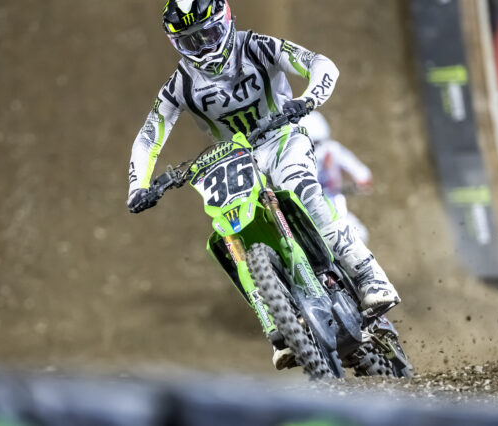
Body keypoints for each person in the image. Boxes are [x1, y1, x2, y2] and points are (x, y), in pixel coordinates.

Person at [127, 0, 399, 369]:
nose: (204, 47)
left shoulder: (256, 46)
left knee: (303, 192)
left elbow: (321, 64)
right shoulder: (181, 84)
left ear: (226, 21)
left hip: (282, 138)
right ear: (176, 44)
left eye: (210, 34)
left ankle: (370, 277)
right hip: (233, 158)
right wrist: (139, 185)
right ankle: (279, 327)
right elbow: (149, 135)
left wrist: (307, 99)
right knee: (230, 232)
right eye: (191, 41)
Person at [300, 111, 372, 244]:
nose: (317, 150)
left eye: (318, 143)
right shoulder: (297, 156)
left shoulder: (332, 150)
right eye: (313, 145)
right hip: (304, 217)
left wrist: (345, 185)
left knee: (360, 234)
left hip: (335, 215)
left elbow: (363, 176)